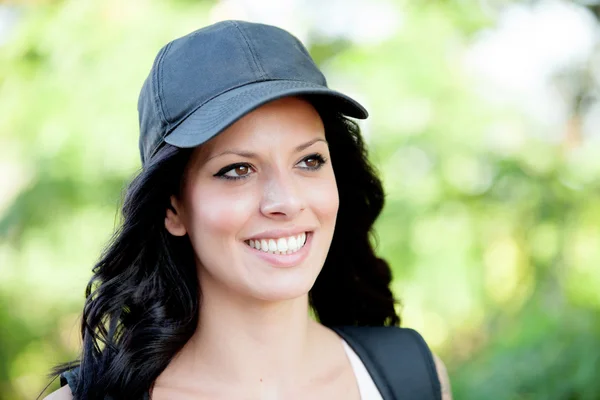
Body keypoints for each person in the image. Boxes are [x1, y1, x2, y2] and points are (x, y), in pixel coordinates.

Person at [44, 20, 452, 400]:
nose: (287, 201)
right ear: (173, 208)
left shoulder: (412, 376)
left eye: (309, 161)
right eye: (238, 170)